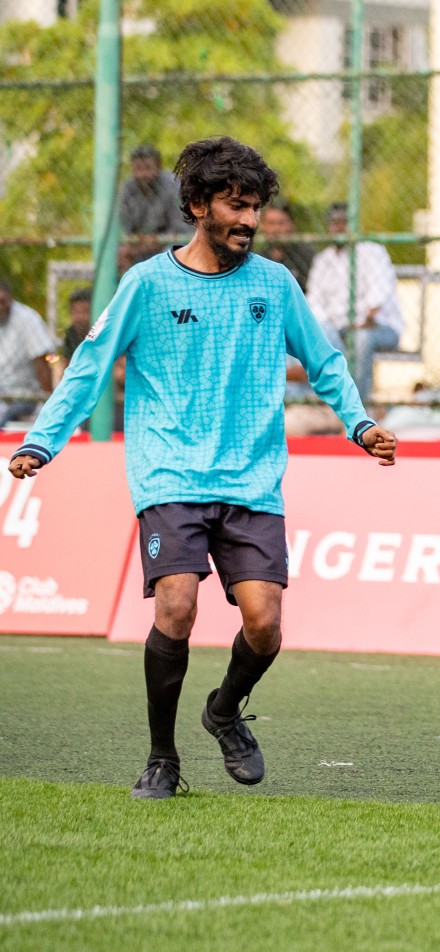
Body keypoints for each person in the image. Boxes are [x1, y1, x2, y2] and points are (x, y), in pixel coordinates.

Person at [8, 136, 398, 801]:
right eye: (234, 206)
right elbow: (90, 367)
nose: (247, 220)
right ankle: (163, 759)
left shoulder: (274, 285)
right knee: (178, 604)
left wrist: (359, 422)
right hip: (170, 473)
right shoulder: (146, 284)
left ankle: (222, 711)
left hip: (252, 479)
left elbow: (327, 361)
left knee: (266, 623)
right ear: (196, 205)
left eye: (254, 208)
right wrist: (42, 441)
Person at [306, 202, 406, 404]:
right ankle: (329, 399)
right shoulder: (323, 259)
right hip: (337, 329)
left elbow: (378, 298)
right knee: (317, 334)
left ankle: (357, 407)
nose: (339, 227)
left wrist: (361, 321)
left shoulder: (372, 251)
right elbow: (314, 302)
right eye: (334, 223)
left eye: (344, 222)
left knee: (360, 338)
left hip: (377, 327)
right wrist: (329, 328)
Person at [117, 144, 182, 271]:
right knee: (114, 253)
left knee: (172, 251)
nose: (143, 174)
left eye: (147, 168)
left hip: (166, 244)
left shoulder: (172, 186)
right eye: (138, 168)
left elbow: (179, 231)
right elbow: (124, 228)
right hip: (139, 247)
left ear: (158, 166)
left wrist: (142, 247)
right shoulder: (128, 188)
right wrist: (127, 247)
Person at [0, 278, 55, 426]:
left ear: (10, 299)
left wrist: (49, 404)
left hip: (23, 396)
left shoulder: (27, 317)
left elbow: (42, 362)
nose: (0, 307)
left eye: (2, 301)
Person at [257, 203, 315, 290]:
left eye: (281, 223)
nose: (276, 229)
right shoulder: (258, 260)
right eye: (271, 223)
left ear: (292, 224)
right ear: (263, 226)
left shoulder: (305, 257)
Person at [60, 289, 94, 360]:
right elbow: (68, 364)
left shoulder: (102, 333)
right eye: (76, 311)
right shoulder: (71, 334)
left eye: (86, 311)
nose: (80, 317)